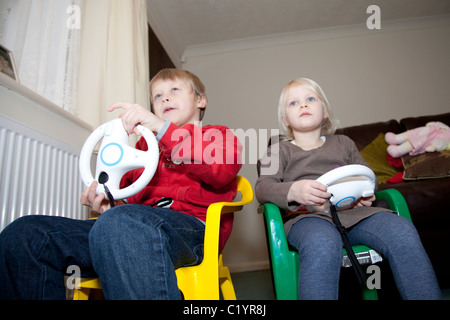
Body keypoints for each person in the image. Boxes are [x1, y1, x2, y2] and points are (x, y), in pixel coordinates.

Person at [0, 68, 242, 299]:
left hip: (194, 233)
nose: (165, 98)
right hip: (127, 227)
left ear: (201, 100)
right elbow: (128, 200)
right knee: (25, 235)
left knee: (121, 223)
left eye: (174, 90)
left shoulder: (218, 136)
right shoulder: (142, 149)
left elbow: (220, 171)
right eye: (158, 96)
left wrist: (161, 129)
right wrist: (108, 206)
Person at [255, 77, 441, 300]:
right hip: (307, 219)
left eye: (310, 99)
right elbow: (263, 188)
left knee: (402, 230)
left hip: (355, 214)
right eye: (293, 103)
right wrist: (294, 191)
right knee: (322, 242)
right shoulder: (277, 150)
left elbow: (368, 176)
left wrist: (365, 192)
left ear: (325, 111)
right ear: (285, 119)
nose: (303, 105)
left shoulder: (344, 143)